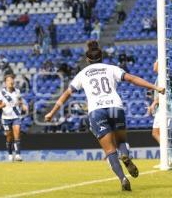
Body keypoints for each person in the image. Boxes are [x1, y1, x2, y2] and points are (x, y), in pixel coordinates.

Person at [45, 40, 165, 191]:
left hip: (97, 110)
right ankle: (126, 156)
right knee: (121, 141)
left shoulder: (82, 74)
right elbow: (132, 79)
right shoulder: (111, 68)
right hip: (115, 106)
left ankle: (123, 178)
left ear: (88, 60)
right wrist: (155, 87)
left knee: (109, 150)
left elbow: (67, 94)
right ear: (102, 57)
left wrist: (52, 112)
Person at [147, 60, 172, 168]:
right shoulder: (167, 77)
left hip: (164, 109)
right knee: (162, 134)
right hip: (170, 109)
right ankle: (167, 159)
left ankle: (169, 156)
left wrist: (153, 104)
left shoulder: (162, 77)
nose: (153, 65)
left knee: (156, 133)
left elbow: (164, 94)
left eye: (155, 63)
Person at [0, 74, 28, 162]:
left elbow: (20, 101)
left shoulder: (17, 91)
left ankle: (18, 154)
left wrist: (23, 106)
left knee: (17, 134)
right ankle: (10, 154)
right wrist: (1, 105)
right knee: (9, 137)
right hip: (6, 117)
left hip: (16, 116)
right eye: (9, 80)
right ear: (5, 82)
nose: (11, 81)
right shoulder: (2, 93)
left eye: (12, 79)